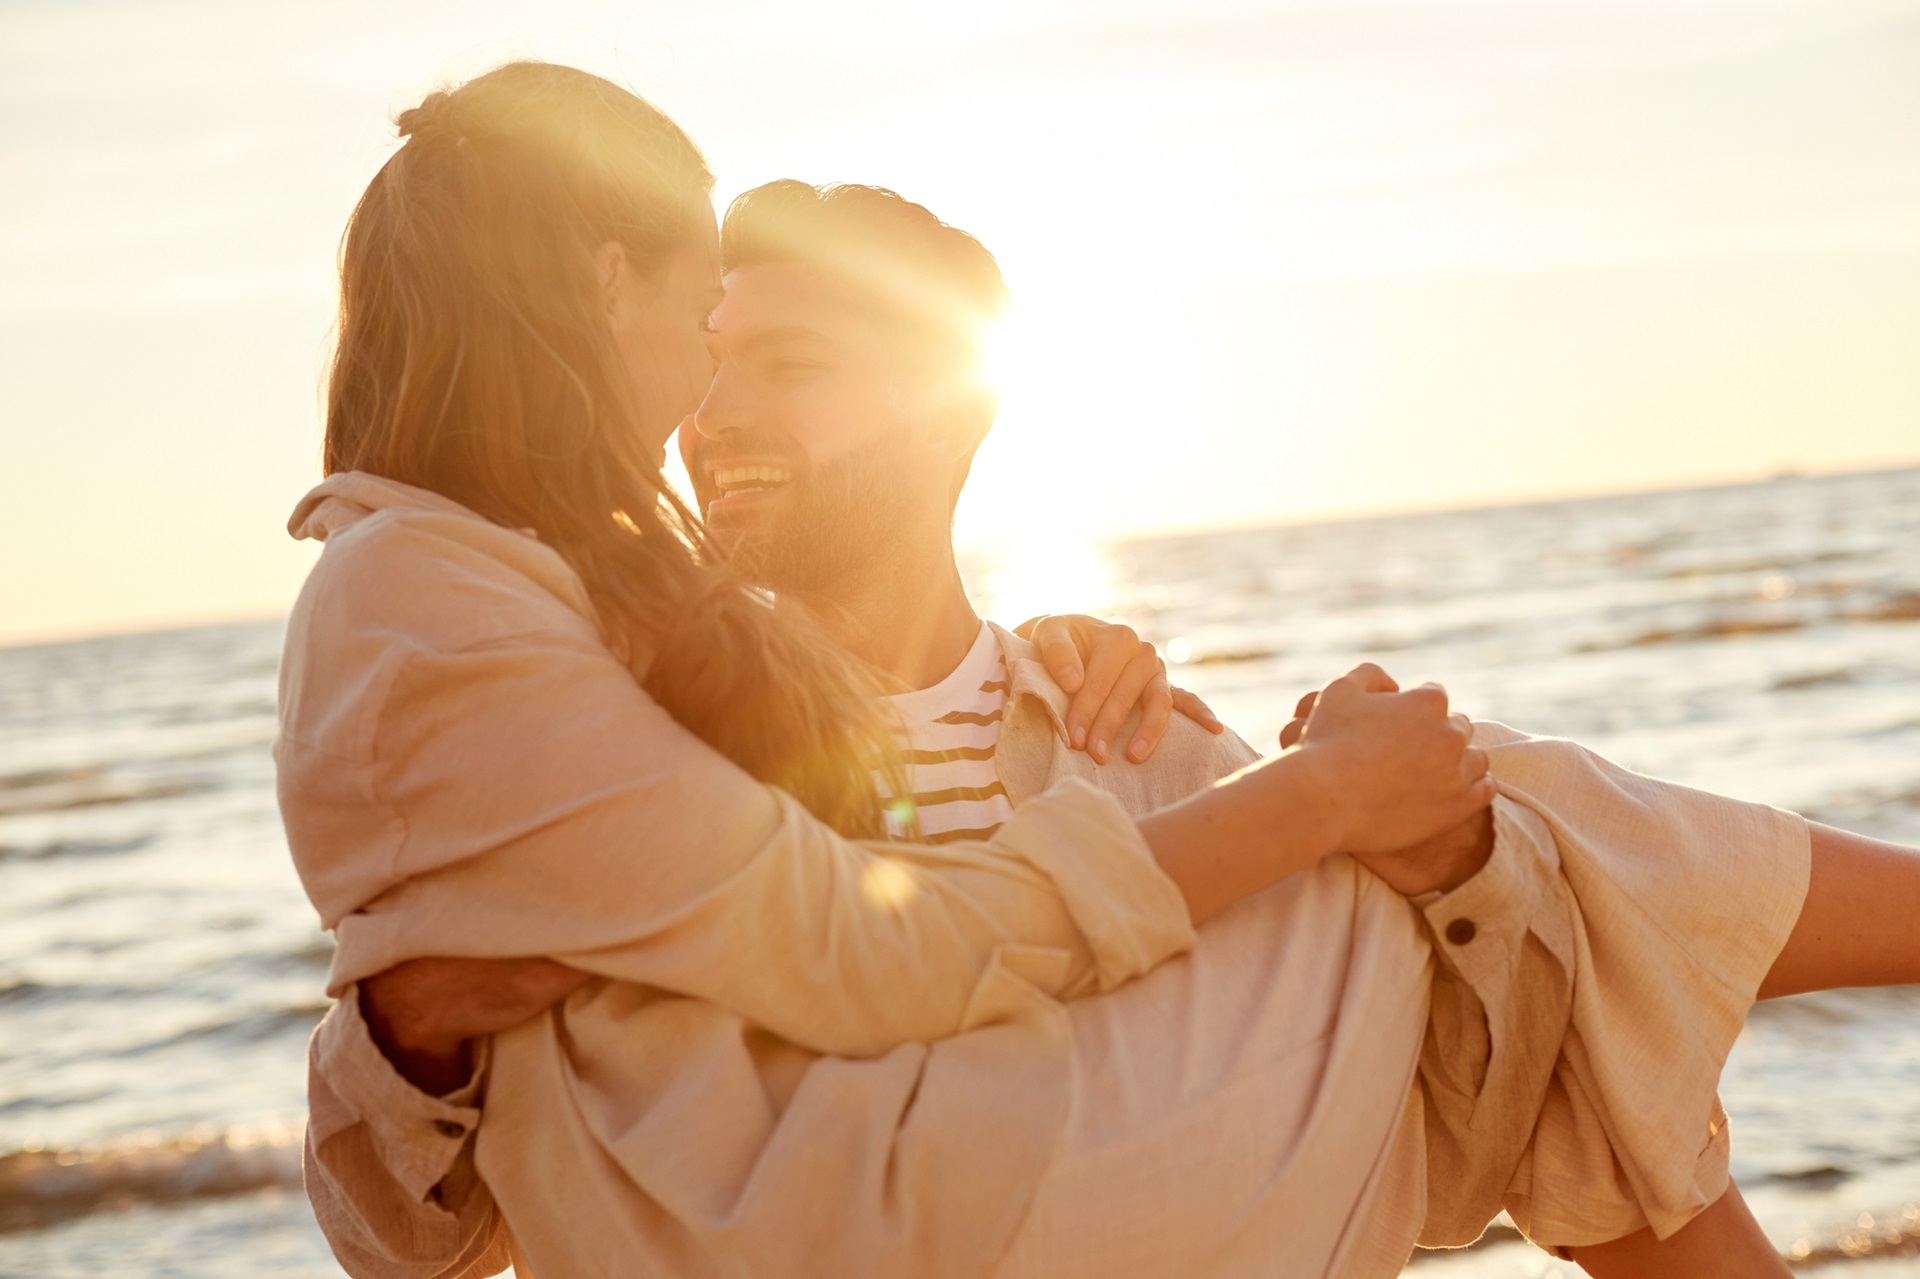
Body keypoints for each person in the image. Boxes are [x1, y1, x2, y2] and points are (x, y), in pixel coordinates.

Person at [282, 63, 1920, 1278]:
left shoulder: (1118, 734)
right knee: (1518, 861)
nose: (713, 419)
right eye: (706, 359)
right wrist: (412, 1038)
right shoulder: (600, 691)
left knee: (1524, 899)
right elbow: (400, 1237)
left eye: (778, 364)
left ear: (954, 406)